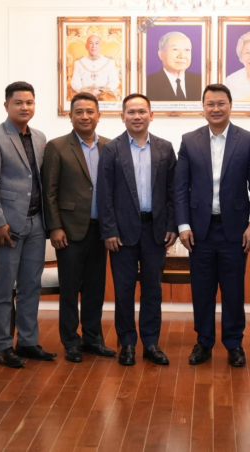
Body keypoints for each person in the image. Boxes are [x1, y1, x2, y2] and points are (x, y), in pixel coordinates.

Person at [174, 84, 250, 367]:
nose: (216, 109)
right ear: (203, 108)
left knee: (233, 290)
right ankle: (204, 342)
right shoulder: (189, 141)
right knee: (202, 290)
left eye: (221, 103)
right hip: (199, 231)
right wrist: (183, 225)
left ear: (230, 105)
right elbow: (180, 188)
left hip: (235, 230)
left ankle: (234, 343)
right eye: (210, 104)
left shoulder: (248, 140)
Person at [0, 81, 57, 368]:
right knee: (3, 288)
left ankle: (27, 341)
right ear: (6, 105)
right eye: (18, 102)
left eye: (29, 102)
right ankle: (2, 346)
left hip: (36, 222)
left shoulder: (39, 137)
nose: (25, 107)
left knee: (30, 286)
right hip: (7, 226)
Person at [97, 93, 177, 366]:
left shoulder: (165, 148)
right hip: (121, 233)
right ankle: (127, 344)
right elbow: (104, 194)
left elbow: (172, 191)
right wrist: (109, 230)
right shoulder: (112, 149)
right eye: (131, 112)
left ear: (151, 115)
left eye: (142, 111)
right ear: (122, 117)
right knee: (124, 290)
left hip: (156, 231)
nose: (137, 116)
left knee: (153, 289)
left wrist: (171, 225)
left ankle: (151, 343)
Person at [42, 92, 116, 363]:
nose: (85, 116)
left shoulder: (110, 147)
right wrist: (55, 227)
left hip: (101, 231)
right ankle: (71, 341)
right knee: (70, 289)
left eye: (89, 111)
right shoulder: (57, 146)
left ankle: (93, 338)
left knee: (96, 288)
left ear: (98, 115)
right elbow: (49, 191)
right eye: (79, 112)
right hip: (69, 231)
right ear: (71, 116)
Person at [146, 32, 201, 101]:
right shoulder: (148, 83)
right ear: (161, 54)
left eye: (187, 50)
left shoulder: (200, 81)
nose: (182, 56)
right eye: (175, 49)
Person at [70, 35, 121, 101]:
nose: (94, 46)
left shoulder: (109, 61)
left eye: (97, 43)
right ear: (86, 46)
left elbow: (115, 81)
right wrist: (88, 92)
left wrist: (101, 92)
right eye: (91, 43)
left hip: (105, 98)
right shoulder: (79, 62)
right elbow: (74, 82)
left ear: (100, 46)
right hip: (85, 98)